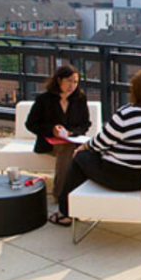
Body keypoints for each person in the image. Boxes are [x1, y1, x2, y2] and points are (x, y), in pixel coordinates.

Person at [50, 67, 141, 226]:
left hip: (119, 178)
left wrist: (84, 147)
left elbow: (100, 142)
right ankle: (76, 205)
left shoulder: (127, 114)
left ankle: (65, 212)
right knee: (86, 157)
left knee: (80, 157)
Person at [24, 65, 91, 197]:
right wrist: (51, 130)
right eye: (69, 81)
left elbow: (85, 124)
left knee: (70, 147)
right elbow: (31, 124)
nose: (72, 85)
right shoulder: (44, 100)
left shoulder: (80, 99)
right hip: (49, 143)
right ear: (59, 80)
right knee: (68, 149)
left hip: (72, 140)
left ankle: (72, 194)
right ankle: (61, 195)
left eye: (75, 82)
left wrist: (71, 133)